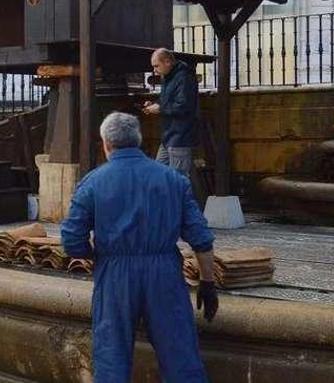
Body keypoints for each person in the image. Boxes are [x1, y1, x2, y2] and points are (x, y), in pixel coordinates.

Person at [61, 112, 218, 383]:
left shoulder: (93, 182)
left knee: (111, 358)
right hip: (164, 273)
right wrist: (207, 282)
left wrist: (96, 256)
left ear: (106, 144)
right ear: (139, 141)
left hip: (115, 274)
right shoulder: (173, 180)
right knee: (180, 356)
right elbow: (201, 238)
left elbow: (72, 240)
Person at [142, 47, 200, 177]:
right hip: (169, 137)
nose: (155, 71)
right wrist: (154, 105)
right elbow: (169, 100)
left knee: (178, 180)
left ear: (168, 62)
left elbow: (183, 106)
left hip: (180, 137)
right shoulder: (169, 77)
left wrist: (160, 108)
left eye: (156, 66)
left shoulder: (184, 77)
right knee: (158, 175)